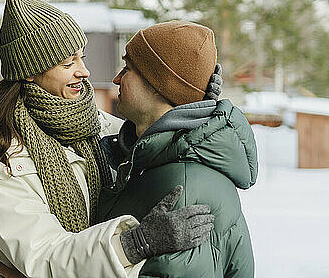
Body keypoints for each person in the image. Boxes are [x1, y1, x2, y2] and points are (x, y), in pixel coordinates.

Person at [0, 0, 217, 278]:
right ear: (29, 72)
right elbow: (46, 257)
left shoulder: (99, 129)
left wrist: (193, 103)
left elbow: (158, 136)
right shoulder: (1, 166)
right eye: (68, 63)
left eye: (81, 57)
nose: (84, 71)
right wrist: (135, 244)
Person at [96, 20, 258, 277]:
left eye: (127, 68)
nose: (116, 78)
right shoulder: (156, 160)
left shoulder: (181, 186)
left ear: (159, 85)